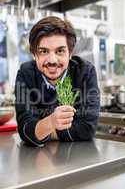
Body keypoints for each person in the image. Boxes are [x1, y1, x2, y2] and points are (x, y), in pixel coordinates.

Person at [15, 16, 100, 147]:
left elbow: (87, 129)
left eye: (60, 51)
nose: (52, 60)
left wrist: (42, 129)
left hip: (78, 157)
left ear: (70, 53)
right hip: (39, 164)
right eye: (43, 51)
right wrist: (51, 122)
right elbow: (25, 129)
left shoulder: (85, 71)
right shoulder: (26, 73)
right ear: (34, 54)